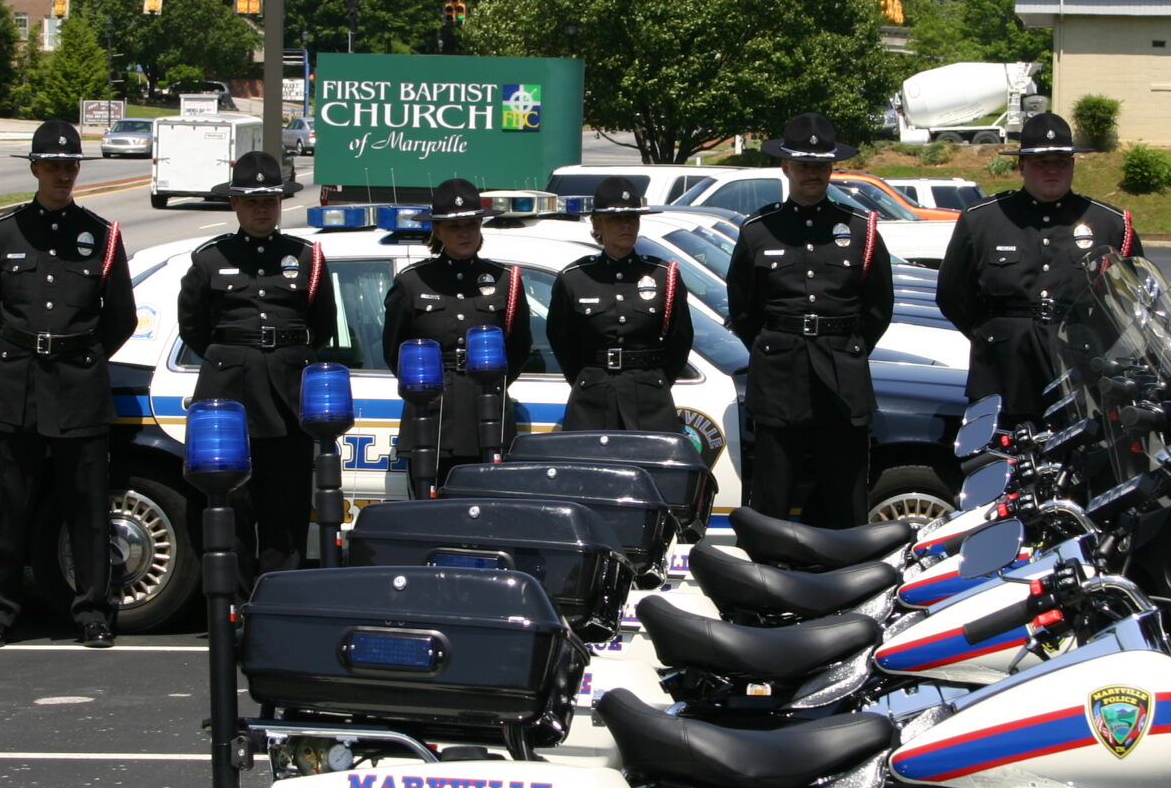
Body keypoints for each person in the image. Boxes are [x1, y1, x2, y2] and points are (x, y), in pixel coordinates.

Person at [0, 120, 138, 649]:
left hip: (78, 384)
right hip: (17, 382)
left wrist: (81, 355)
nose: (62, 174)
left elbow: (122, 319)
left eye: (70, 166)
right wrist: (25, 348)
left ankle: (92, 611)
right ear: (35, 169)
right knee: (8, 507)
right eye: (52, 166)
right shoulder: (3, 233)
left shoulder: (103, 236)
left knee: (86, 506)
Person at [725, 113, 893, 529]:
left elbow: (878, 307)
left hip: (842, 374)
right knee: (773, 492)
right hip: (779, 374)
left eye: (821, 165)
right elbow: (743, 309)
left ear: (832, 168)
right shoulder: (758, 230)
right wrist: (776, 344)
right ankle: (767, 579)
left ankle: (847, 573)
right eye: (804, 164)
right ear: (785, 166)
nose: (813, 173)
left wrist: (846, 347)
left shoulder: (860, 230)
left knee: (845, 492)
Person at [176, 150, 337, 582]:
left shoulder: (307, 257)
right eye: (251, 200)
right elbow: (194, 327)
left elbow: (320, 327)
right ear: (235, 204)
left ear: (281, 203)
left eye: (269, 200)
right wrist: (240, 355)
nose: (261, 208)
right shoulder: (210, 259)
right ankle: (239, 603)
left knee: (286, 508)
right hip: (231, 396)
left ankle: (280, 599)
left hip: (288, 397)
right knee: (236, 507)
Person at [935, 110, 1142, 427]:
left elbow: (1129, 302)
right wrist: (997, 334)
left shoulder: (1108, 223)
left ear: (1072, 165)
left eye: (1061, 162)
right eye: (1040, 163)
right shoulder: (982, 220)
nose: (1052, 170)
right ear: (1021, 166)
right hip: (1005, 371)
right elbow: (952, 295)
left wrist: (1092, 343)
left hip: (1079, 373)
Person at [382, 177, 532, 497]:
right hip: (431, 418)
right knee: (431, 518)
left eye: (471, 225)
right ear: (437, 231)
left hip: (487, 415)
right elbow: (395, 351)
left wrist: (491, 383)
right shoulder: (413, 283)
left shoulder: (506, 281)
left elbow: (519, 348)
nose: (464, 233)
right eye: (454, 227)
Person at [545, 175, 694, 432]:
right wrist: (589, 379)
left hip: (650, 401)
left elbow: (680, 340)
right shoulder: (575, 278)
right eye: (616, 219)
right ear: (597, 224)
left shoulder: (663, 275)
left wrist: (653, 380)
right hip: (593, 400)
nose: (626, 225)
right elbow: (562, 340)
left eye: (632, 218)